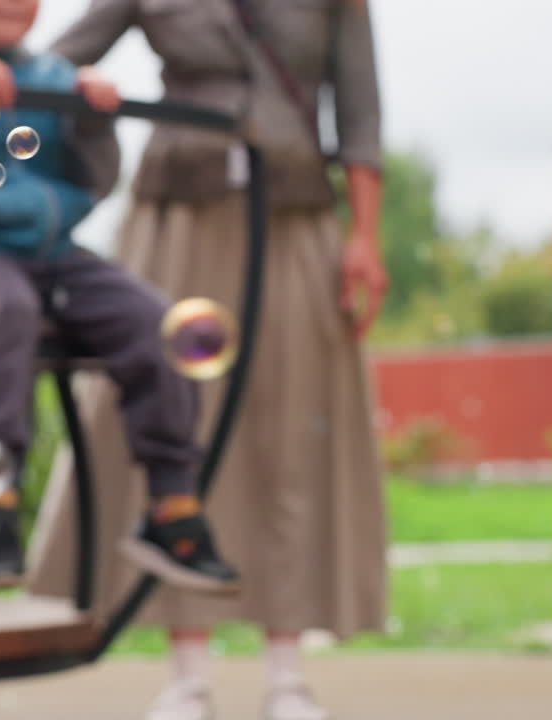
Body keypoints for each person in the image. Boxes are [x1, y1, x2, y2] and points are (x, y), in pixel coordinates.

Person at [25, 1, 389, 719]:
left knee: (294, 433)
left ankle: (287, 673)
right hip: (178, 211)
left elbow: (360, 110)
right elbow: (50, 63)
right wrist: (86, 92)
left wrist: (366, 239)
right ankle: (187, 675)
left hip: (295, 212)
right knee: (176, 427)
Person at [0, 0, 239, 595]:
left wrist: (93, 119)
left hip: (52, 255)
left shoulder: (52, 77)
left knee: (156, 323)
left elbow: (95, 179)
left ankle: (172, 505)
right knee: (4, 308)